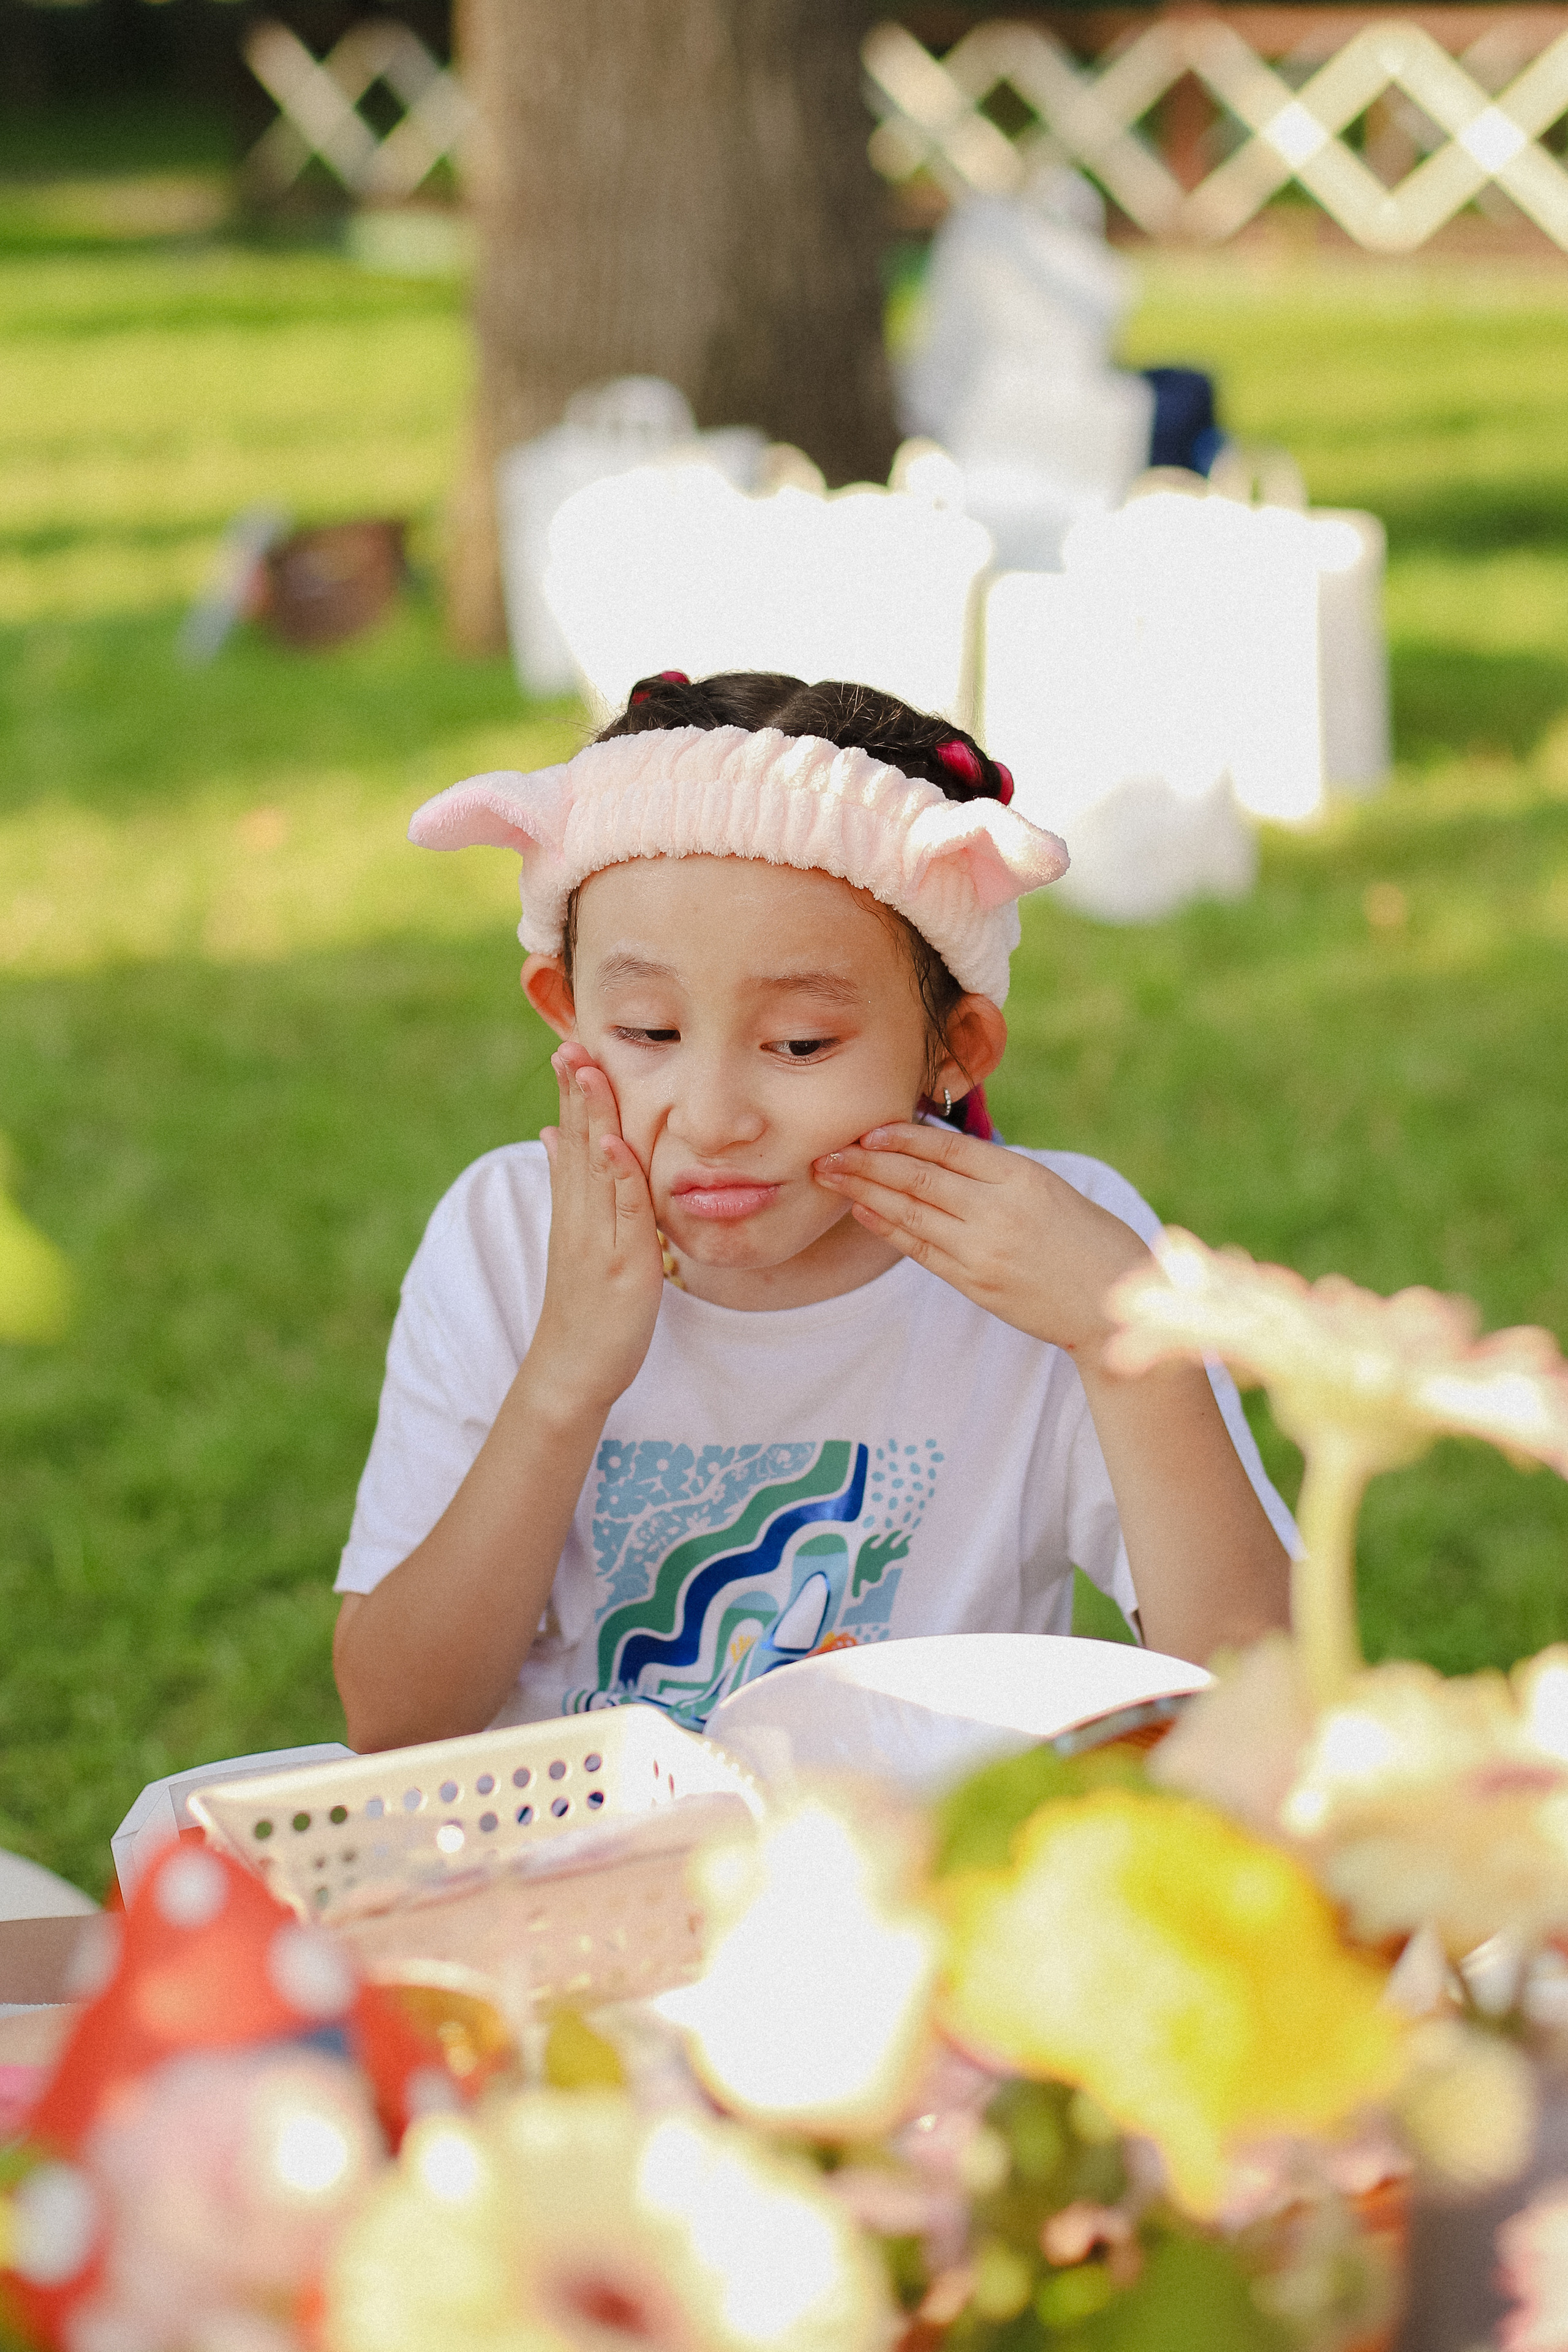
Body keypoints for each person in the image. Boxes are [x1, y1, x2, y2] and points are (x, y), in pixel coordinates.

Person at [333, 672, 1293, 1754]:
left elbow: (1256, 1703)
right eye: (649, 1031)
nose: (714, 1118)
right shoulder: (507, 1239)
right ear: (567, 1014)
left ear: (952, 1054)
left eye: (800, 1045)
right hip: (575, 1885)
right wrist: (565, 1374)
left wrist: (1127, 1342)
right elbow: (393, 1717)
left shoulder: (1065, 1255)